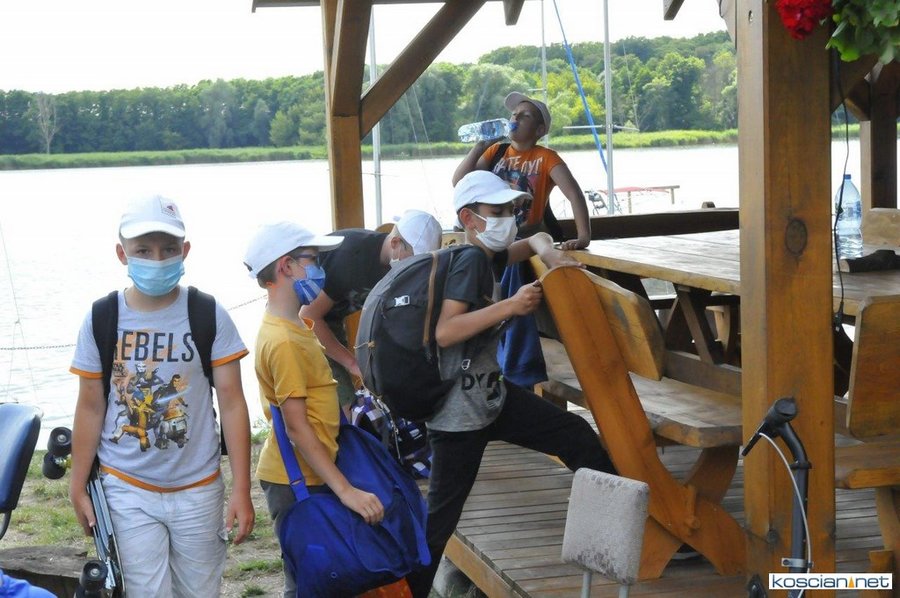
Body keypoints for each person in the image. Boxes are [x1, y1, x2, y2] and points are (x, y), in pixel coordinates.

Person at [405, 171, 616, 597]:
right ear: (470, 219)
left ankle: (622, 529)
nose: (509, 219)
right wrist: (512, 306)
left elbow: (534, 239)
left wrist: (548, 251)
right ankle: (406, 592)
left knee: (575, 433)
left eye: (511, 210)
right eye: (498, 211)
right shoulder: (470, 261)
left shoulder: (485, 255)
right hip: (460, 416)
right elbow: (446, 332)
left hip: (491, 398)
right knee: (439, 524)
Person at [69, 196, 255, 598]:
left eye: (168, 249)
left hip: (199, 486)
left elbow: (233, 402)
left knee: (199, 591)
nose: (157, 259)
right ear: (122, 254)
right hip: (126, 486)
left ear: (184, 251)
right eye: (143, 250)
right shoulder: (102, 318)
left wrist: (242, 487)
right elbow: (90, 405)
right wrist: (77, 483)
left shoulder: (208, 313)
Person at [243, 222, 387, 598]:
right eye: (313, 259)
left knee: (327, 579)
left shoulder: (295, 326)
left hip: (312, 472)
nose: (321, 268)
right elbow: (297, 428)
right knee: (311, 583)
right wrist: (346, 491)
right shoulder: (284, 341)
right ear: (286, 266)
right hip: (297, 481)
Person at [300, 209, 443, 410]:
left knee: (355, 400)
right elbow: (308, 316)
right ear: (395, 243)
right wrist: (352, 364)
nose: (417, 270)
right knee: (340, 405)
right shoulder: (352, 260)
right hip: (301, 322)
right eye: (414, 261)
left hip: (332, 317)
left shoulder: (394, 265)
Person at [452, 91, 591, 250]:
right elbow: (459, 182)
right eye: (514, 114)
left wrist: (583, 237)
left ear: (539, 130)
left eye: (525, 116)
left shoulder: (547, 157)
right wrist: (480, 146)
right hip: (495, 237)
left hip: (527, 238)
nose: (516, 118)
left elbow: (574, 194)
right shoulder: (496, 151)